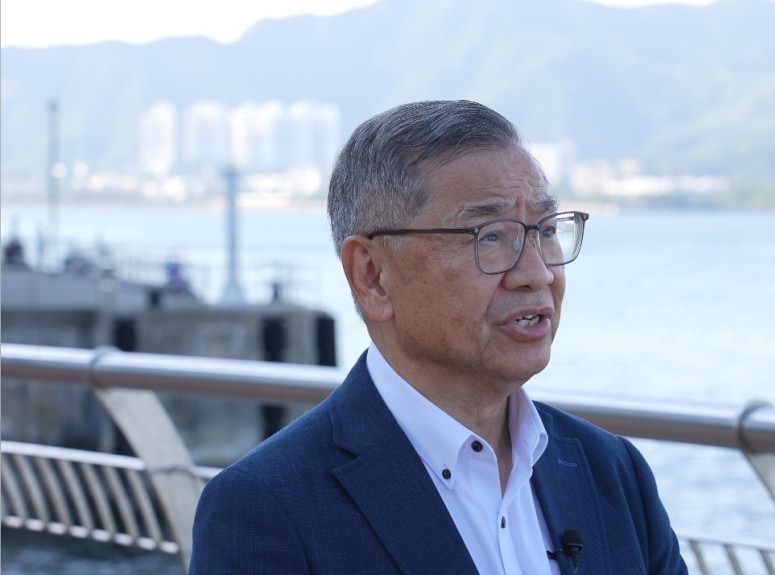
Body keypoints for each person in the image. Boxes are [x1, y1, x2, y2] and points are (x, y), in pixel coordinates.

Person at [189, 100, 687, 574]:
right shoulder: (267, 507)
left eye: (546, 230)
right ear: (372, 276)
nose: (536, 273)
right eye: (491, 236)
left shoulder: (611, 472)